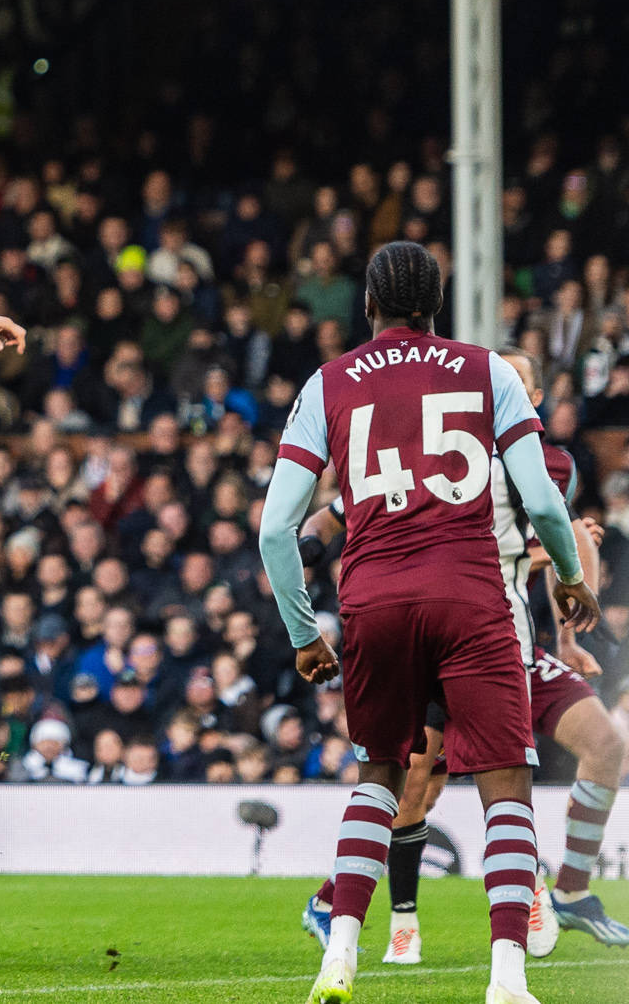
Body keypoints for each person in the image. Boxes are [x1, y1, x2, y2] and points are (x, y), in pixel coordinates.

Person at [257, 241, 597, 1004]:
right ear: (437, 306)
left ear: (368, 305)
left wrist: (303, 633)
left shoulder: (328, 382)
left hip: (373, 598)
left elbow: (276, 530)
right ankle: (507, 975)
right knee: (506, 780)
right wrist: (571, 578)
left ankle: (339, 955)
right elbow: (544, 503)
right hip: (472, 597)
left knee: (380, 772)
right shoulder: (490, 371)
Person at [296, 347, 629, 960]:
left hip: (510, 645)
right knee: (414, 787)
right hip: (455, 642)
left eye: (523, 380)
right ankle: (344, 902)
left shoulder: (548, 463)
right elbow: (548, 542)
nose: (512, 387)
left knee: (605, 744)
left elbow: (556, 537)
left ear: (527, 398)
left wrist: (566, 635)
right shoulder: (435, 454)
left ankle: (567, 891)